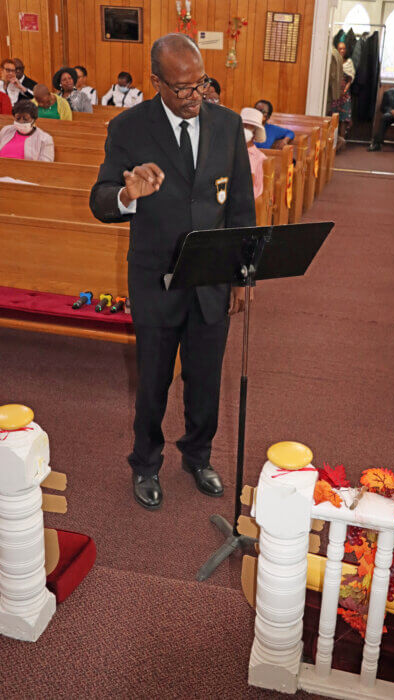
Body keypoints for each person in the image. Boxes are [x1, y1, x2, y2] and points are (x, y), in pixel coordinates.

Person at [90, 34, 255, 511]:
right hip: (154, 279)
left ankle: (198, 455)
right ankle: (145, 462)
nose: (193, 97)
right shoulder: (128, 128)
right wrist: (127, 196)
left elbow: (241, 205)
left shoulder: (226, 125)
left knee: (205, 379)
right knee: (154, 379)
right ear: (156, 81)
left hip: (211, 279)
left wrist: (242, 274)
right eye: (181, 88)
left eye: (199, 85)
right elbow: (100, 199)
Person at [329, 41, 355, 149]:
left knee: (344, 118)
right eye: (340, 48)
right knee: (333, 116)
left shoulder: (349, 62)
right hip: (334, 92)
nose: (342, 51)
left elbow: (350, 79)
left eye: (344, 48)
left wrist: (344, 90)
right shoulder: (333, 61)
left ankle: (342, 140)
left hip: (345, 94)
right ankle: (332, 141)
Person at [241, 107, 266, 199]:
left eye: (248, 126)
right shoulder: (232, 149)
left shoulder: (257, 156)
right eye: (242, 125)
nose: (244, 128)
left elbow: (247, 183)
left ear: (255, 132)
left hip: (248, 198)